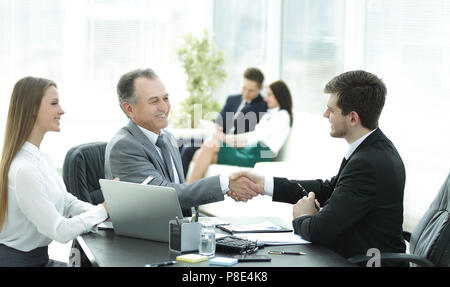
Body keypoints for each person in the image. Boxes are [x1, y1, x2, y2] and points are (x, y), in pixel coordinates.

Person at [235, 70, 407, 264]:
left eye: (331, 110)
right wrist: (264, 184)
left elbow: (319, 231)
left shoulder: (368, 162)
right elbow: (328, 189)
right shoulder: (373, 148)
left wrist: (302, 217)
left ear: (352, 118)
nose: (325, 115)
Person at [104, 68, 263, 216]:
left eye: (166, 98)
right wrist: (224, 183)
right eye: (154, 101)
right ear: (129, 109)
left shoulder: (167, 138)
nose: (164, 107)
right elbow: (164, 196)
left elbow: (181, 201)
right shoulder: (124, 146)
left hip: (176, 231)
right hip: (145, 241)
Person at [0, 77, 109, 267]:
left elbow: (65, 201)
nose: (62, 110)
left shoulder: (40, 159)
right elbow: (60, 231)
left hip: (40, 261)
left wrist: (105, 212)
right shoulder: (24, 170)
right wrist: (102, 211)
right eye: (54, 103)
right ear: (32, 109)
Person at [187, 80, 293, 183]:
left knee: (209, 145)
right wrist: (229, 139)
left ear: (279, 96)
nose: (266, 99)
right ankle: (193, 192)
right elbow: (253, 135)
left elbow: (256, 138)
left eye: (269, 95)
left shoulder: (282, 116)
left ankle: (188, 192)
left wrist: (228, 139)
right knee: (199, 153)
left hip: (258, 155)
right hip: (249, 150)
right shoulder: (270, 114)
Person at [180, 67, 268, 176]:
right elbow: (219, 120)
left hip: (233, 144)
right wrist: (216, 126)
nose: (245, 93)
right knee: (180, 143)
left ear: (260, 88)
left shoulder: (263, 106)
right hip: (217, 138)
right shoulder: (232, 99)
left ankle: (180, 187)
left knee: (188, 149)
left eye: (250, 90)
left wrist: (225, 138)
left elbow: (253, 134)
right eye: (243, 88)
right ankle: (171, 184)